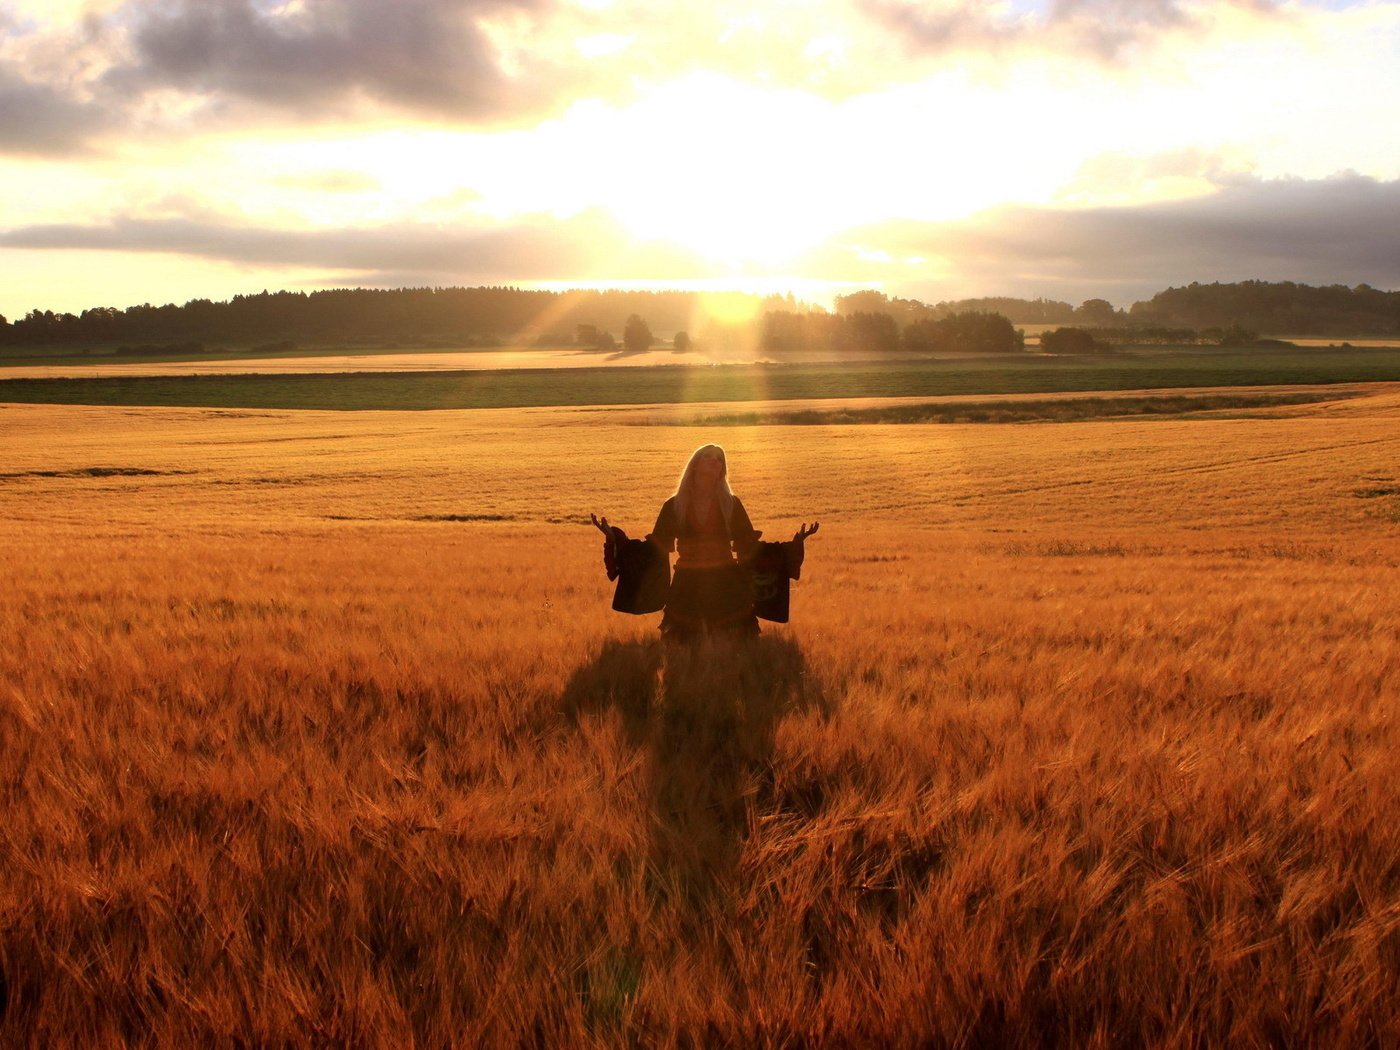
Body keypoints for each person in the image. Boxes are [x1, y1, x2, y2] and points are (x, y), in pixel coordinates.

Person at [592, 444, 819, 641]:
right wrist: (614, 538)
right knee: (682, 647)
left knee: (734, 645)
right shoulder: (674, 506)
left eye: (720, 459)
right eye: (709, 456)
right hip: (687, 584)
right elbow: (655, 547)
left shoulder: (731, 504)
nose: (715, 461)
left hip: (726, 582)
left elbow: (750, 547)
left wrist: (793, 545)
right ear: (695, 464)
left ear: (722, 470)